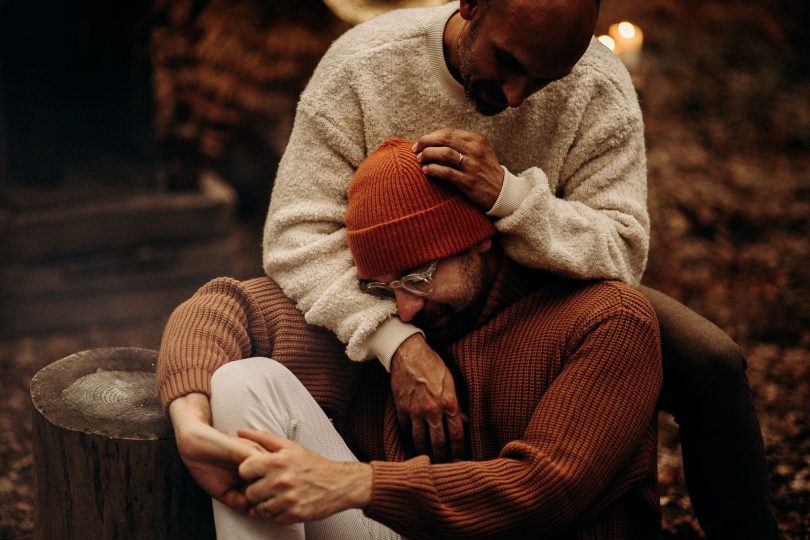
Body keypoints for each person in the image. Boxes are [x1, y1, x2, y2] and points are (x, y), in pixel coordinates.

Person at [258, 1, 777, 537]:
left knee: (711, 362)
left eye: (545, 77)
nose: (514, 95)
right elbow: (295, 237)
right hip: (399, 293)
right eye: (505, 60)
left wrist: (508, 196)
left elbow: (622, 249)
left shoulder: (597, 84)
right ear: (472, 5)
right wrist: (395, 342)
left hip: (545, 293)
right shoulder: (363, 66)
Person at [158, 138, 663, 538]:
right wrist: (190, 425)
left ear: (478, 240)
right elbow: (223, 306)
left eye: (418, 277)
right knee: (244, 382)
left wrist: (354, 483)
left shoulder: (608, 321)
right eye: (382, 286)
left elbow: (547, 491)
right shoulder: (402, 321)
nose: (403, 308)